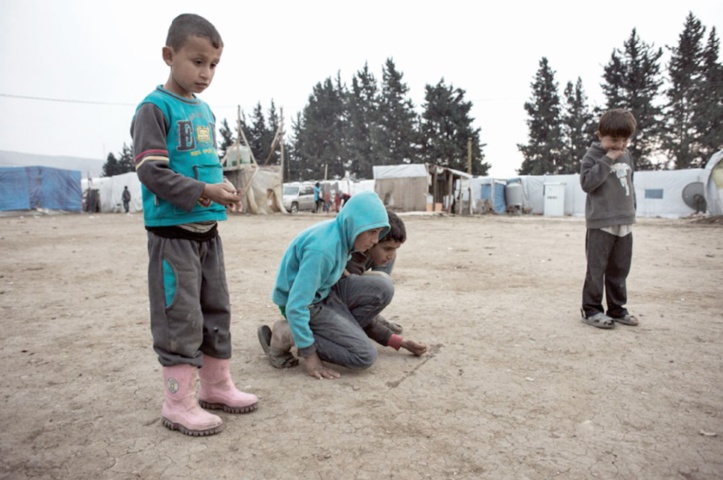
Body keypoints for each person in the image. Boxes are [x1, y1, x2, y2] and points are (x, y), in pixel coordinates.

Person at [130, 13, 257, 436]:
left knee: (215, 310)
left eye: (213, 65)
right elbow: (152, 172)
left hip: (208, 233)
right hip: (173, 237)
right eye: (197, 61)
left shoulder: (203, 111)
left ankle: (217, 386)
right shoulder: (154, 108)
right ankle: (178, 402)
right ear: (169, 56)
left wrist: (221, 189)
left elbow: (203, 166)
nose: (206, 73)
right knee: (179, 317)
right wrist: (206, 190)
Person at [258, 191, 424, 379]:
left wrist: (395, 341)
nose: (376, 240)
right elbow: (297, 305)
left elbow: (355, 317)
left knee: (383, 288)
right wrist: (311, 358)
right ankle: (287, 334)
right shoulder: (323, 250)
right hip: (307, 304)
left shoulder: (344, 239)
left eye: (378, 233)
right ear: (355, 224)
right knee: (364, 356)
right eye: (372, 232)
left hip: (324, 294)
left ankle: (314, 333)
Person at [579, 108, 639, 329]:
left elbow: (631, 185)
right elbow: (587, 183)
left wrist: (632, 210)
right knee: (596, 269)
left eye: (625, 140)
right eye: (614, 139)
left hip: (625, 222)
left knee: (620, 269)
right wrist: (607, 159)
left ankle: (617, 308)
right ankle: (592, 310)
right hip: (601, 223)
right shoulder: (592, 156)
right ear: (600, 136)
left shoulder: (627, 155)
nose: (620, 145)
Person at [343, 209, 427, 354]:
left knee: (384, 277)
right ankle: (370, 312)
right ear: (373, 240)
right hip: (333, 310)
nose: (391, 255)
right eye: (388, 248)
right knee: (383, 285)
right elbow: (345, 313)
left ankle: (372, 311)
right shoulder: (347, 262)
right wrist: (396, 340)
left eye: (395, 249)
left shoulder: (371, 253)